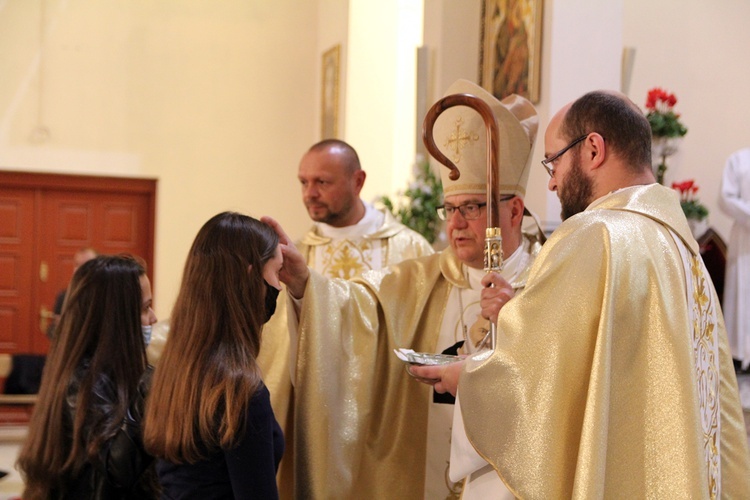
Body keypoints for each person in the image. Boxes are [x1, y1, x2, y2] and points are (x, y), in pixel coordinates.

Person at [411, 90, 750, 498]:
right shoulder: (681, 245)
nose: (552, 181)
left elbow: (536, 378)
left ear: (592, 149)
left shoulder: (596, 233)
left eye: (553, 161)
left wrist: (465, 376)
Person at [265, 79, 542, 499]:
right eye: (450, 209)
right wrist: (306, 284)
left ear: (515, 210)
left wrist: (517, 322)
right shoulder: (420, 277)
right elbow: (359, 307)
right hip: (423, 472)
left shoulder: (548, 278)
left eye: (470, 207)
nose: (456, 223)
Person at [256, 138, 434, 495]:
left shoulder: (410, 251)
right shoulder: (296, 254)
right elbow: (274, 344)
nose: (310, 193)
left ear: (358, 181)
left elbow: (423, 332)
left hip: (384, 416)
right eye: (303, 182)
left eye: (322, 182)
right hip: (316, 415)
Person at [143, 212, 285, 498]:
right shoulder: (240, 390)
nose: (280, 286)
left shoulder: (175, 368)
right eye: (277, 272)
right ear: (250, 276)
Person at [18, 254, 159, 499]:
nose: (154, 317)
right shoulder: (85, 380)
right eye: (145, 308)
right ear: (118, 318)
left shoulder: (116, 371)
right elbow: (118, 468)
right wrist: (151, 385)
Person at [719, 147, 750, 371]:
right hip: (745, 236)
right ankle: (739, 354)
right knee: (742, 292)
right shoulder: (739, 160)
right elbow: (725, 197)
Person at [47, 247, 98, 339]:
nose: (80, 269)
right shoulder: (64, 296)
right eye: (77, 264)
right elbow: (52, 332)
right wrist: (59, 327)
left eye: (87, 265)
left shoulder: (105, 296)